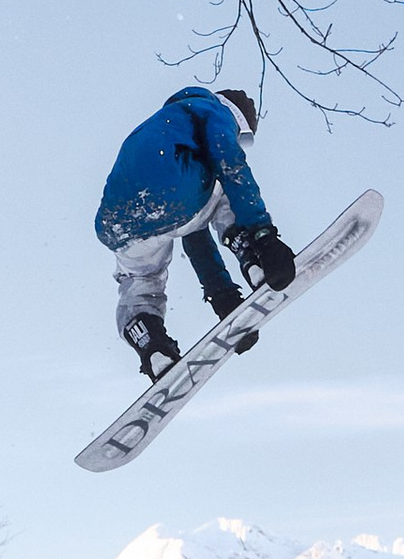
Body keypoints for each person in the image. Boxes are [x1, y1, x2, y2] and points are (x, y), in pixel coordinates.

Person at [95, 84, 296, 383]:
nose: (242, 144)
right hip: (176, 194)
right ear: (238, 120)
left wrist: (223, 297)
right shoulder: (215, 111)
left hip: (118, 221)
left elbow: (192, 230)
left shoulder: (169, 123)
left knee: (140, 282)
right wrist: (263, 234)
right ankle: (251, 255)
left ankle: (151, 342)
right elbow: (231, 166)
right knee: (225, 185)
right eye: (246, 138)